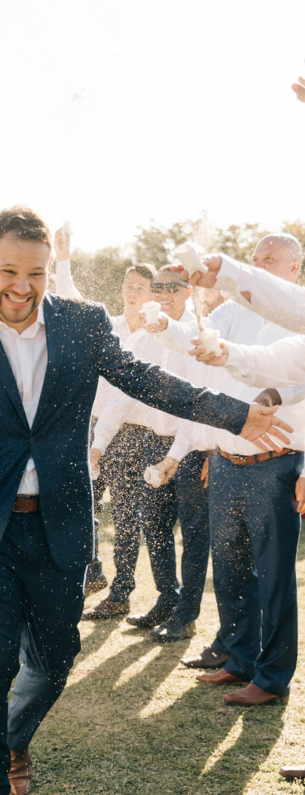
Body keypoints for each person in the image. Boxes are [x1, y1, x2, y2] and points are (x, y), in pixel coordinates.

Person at [0, 206, 286, 795]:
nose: (22, 286)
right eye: (9, 271)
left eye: (36, 273)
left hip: (60, 525)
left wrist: (233, 414)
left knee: (54, 661)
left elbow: (147, 381)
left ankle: (13, 740)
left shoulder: (82, 324)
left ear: (50, 272)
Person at [146, 233, 305, 669]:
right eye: (253, 259)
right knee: (230, 571)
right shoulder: (235, 308)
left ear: (294, 268)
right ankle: (236, 657)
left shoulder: (300, 314)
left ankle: (272, 674)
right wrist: (166, 328)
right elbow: (204, 340)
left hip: (276, 464)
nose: (258, 265)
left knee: (272, 577)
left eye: (268, 260)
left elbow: (286, 375)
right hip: (226, 460)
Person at [89, 267, 213, 640]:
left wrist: (175, 455)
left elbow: (200, 406)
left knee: (192, 534)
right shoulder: (144, 336)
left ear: (187, 293)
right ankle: (166, 600)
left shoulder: (198, 336)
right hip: (152, 445)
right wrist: (97, 446)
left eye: (170, 288)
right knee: (155, 529)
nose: (162, 294)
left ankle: (186, 615)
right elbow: (121, 396)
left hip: (189, 448)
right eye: (156, 288)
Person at [53, 226, 156, 609]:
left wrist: (101, 444)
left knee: (127, 516)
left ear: (150, 296)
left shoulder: (155, 337)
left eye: (140, 287)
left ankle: (122, 592)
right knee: (85, 506)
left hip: (130, 434)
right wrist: (63, 258)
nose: (131, 291)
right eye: (128, 285)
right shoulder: (107, 325)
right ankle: (91, 573)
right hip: (92, 425)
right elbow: (70, 298)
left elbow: (128, 395)